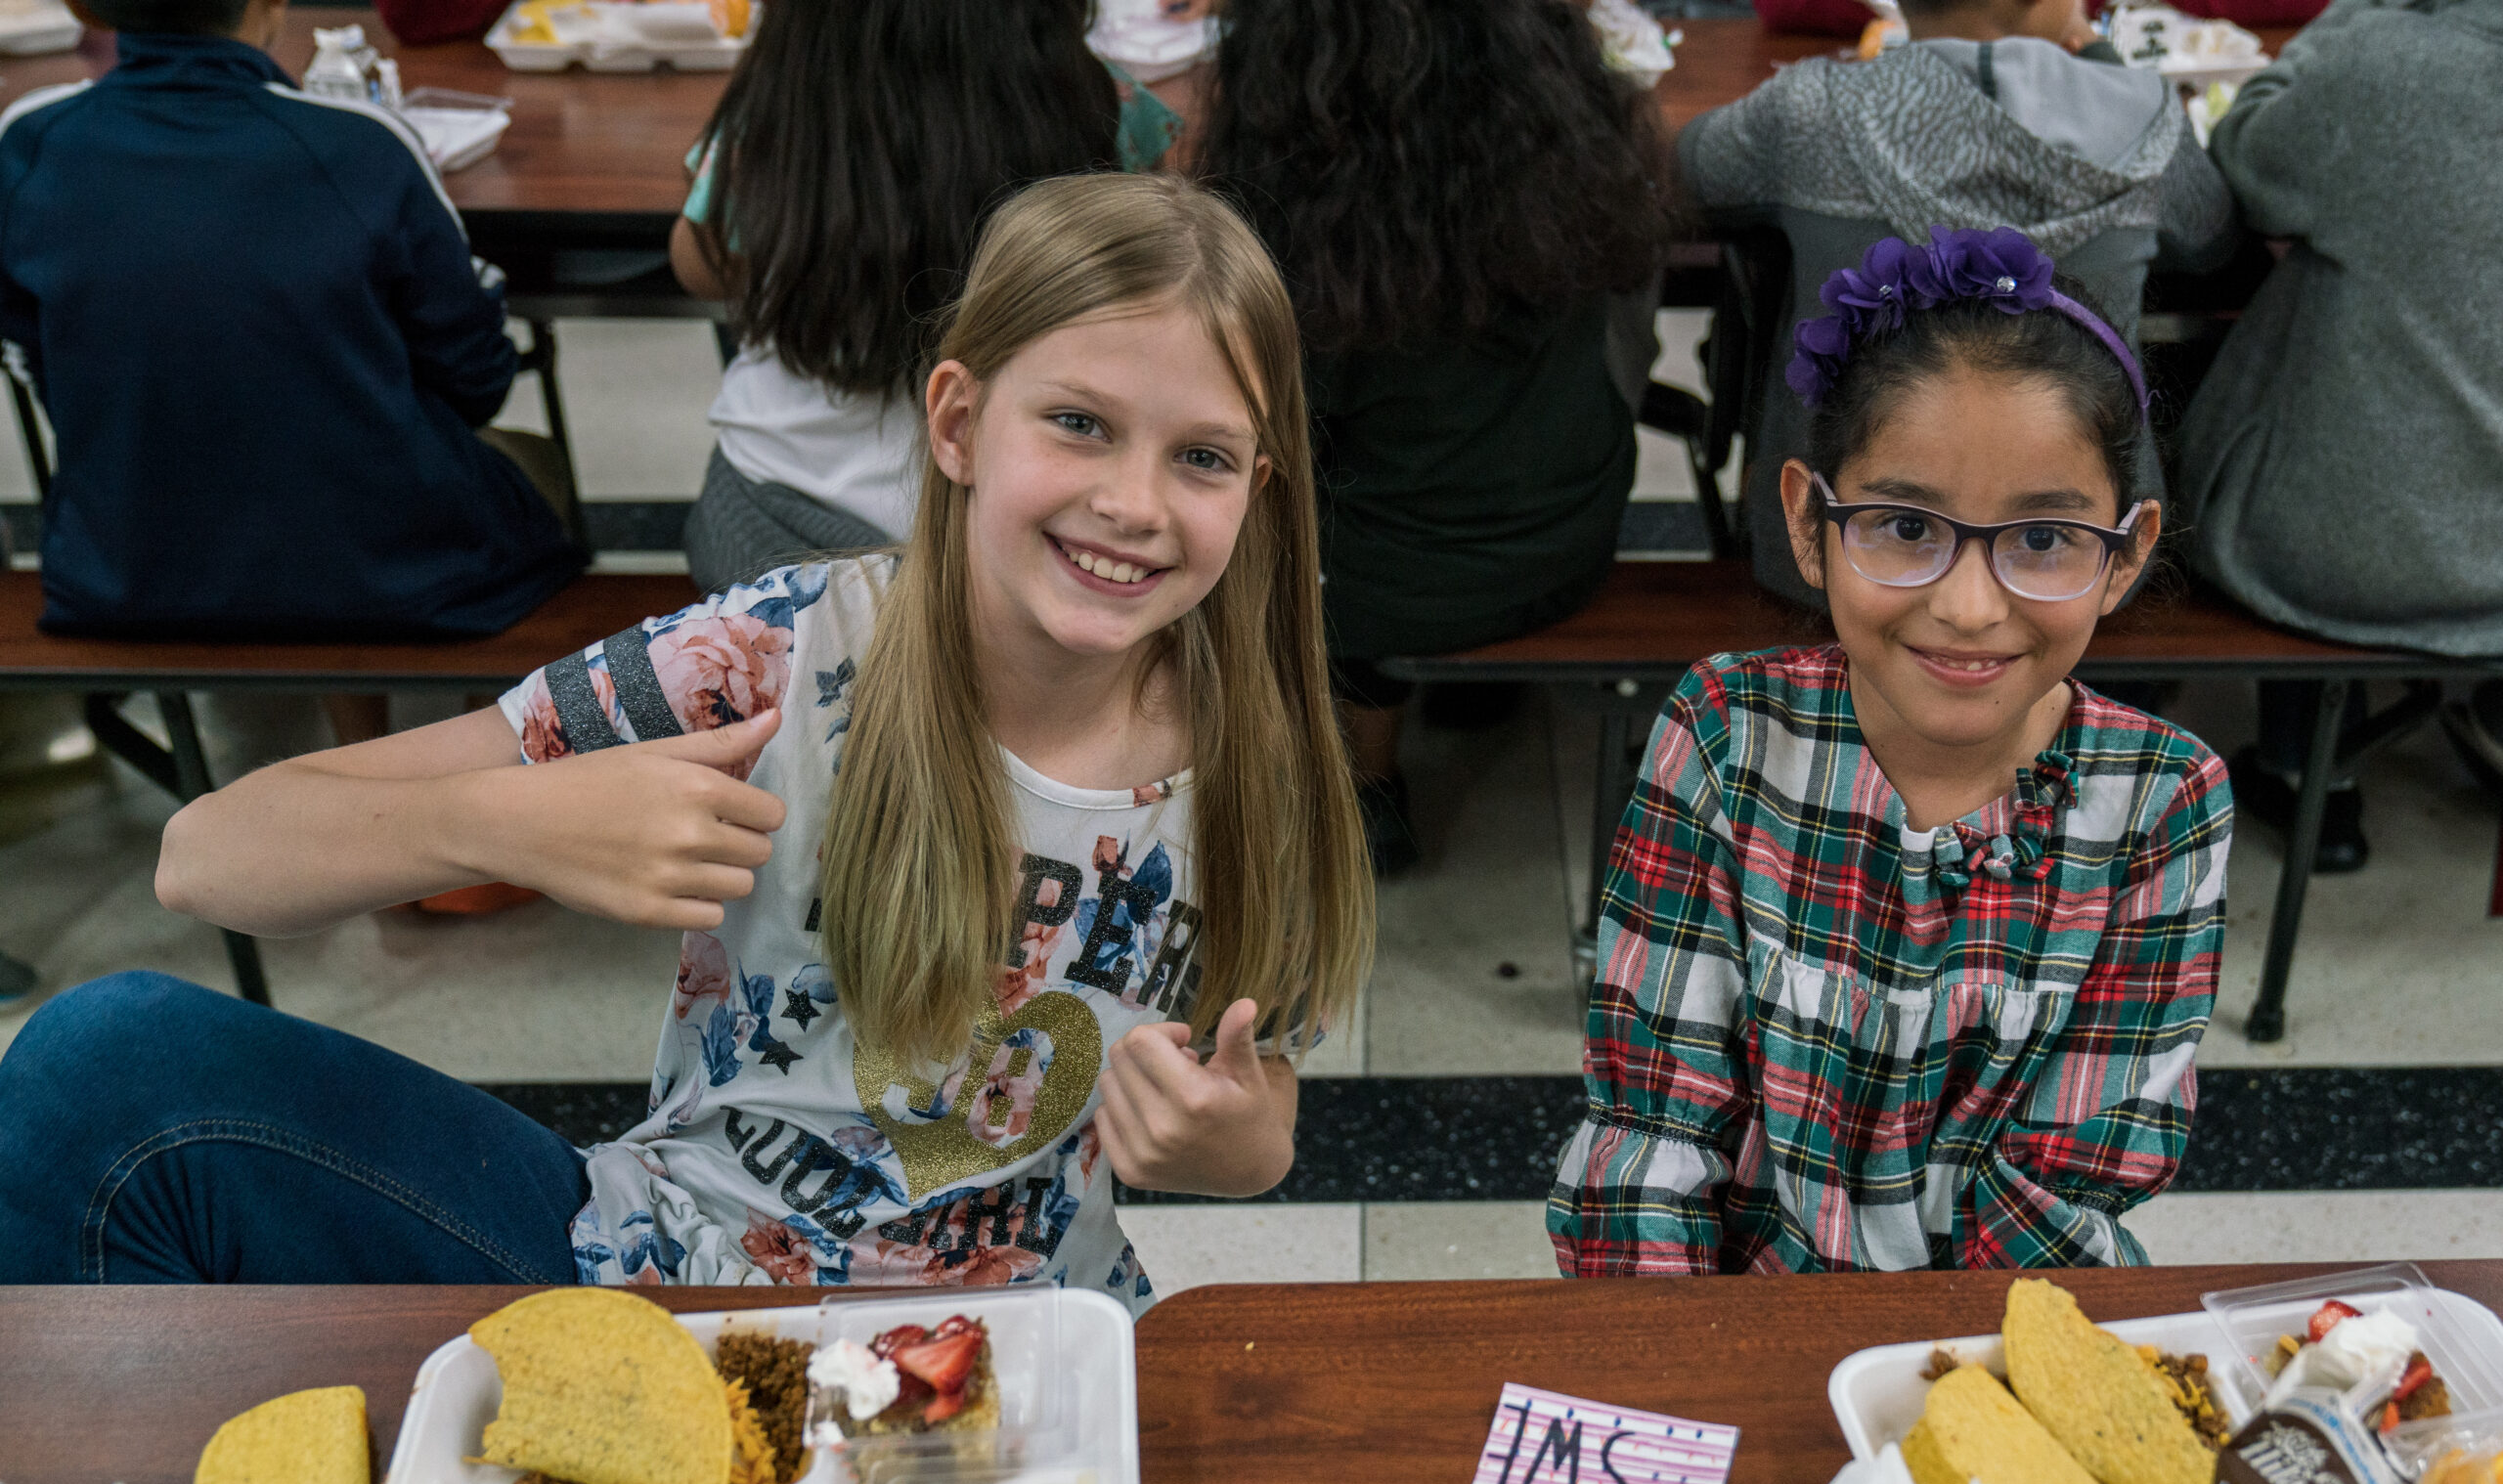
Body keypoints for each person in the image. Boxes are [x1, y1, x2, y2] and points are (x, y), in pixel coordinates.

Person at [0, 174, 1374, 1301]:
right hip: (678, 1285)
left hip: (1027, 1357)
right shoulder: (770, 654)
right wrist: (498, 821)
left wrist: (1232, 1140)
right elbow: (204, 855)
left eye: (1199, 457)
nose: (1135, 502)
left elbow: (1263, 1114)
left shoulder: (1266, 752)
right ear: (958, 423)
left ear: (1257, 487)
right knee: (99, 1064)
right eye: (1078, 424)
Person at [1549, 228, 2232, 1276]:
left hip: (1996, 1339)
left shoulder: (2161, 799)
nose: (1967, 607)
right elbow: (1654, 1127)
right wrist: (1675, 1369)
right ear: (1809, 523)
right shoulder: (1727, 729)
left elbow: (2065, 1186)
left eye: (2043, 540)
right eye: (1904, 526)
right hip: (1728, 1317)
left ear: (2126, 554)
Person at [1193, 0, 1679, 875]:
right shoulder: (1578, 139)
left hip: (1386, 585)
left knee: (1300, 486)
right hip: (1568, 540)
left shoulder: (1297, 203)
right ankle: (1474, 693)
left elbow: (1281, 432)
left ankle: (1368, 786)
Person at [0, 0, 581, 644]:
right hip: (400, 575)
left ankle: (341, 735)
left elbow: (40, 358)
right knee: (520, 464)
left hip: (125, 573)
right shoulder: (361, 145)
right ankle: (469, 737)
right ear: (268, 4)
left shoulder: (29, 145)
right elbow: (477, 378)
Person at [1679, 0, 2237, 606]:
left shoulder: (1812, 109)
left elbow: (1688, 171)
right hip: (2093, 546)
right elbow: (2212, 240)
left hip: (1836, 546)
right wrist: (2101, 57)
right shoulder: (2149, 118)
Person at [2175, 0, 2503, 871]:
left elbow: (2242, 159)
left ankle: (2307, 773)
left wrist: (2342, 27)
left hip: (2348, 555)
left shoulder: (2386, 62)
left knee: (2270, 371)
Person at [670, 0, 1146, 594]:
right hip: (1005, 529)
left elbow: (701, 269)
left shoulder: (779, 123)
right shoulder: (1103, 113)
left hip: (767, 518)